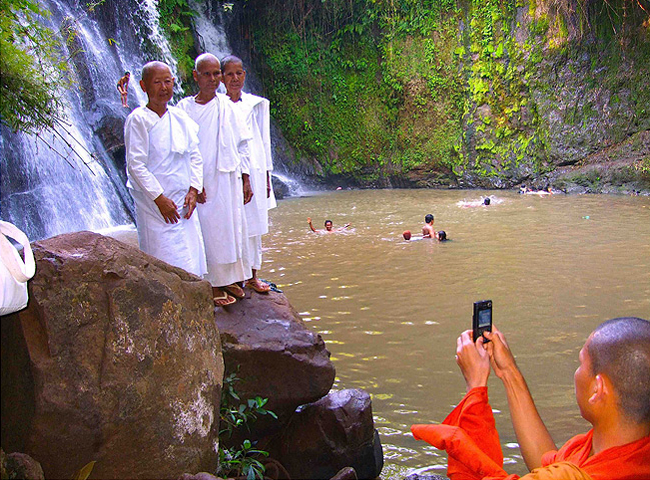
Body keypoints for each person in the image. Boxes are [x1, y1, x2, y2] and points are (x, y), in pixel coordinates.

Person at [412, 317, 650, 479]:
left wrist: (476, 388)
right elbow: (546, 466)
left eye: (581, 364)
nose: (577, 373)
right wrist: (508, 372)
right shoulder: (615, 450)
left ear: (597, 389)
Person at [177, 53, 254, 307]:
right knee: (208, 232)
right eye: (207, 74)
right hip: (201, 182)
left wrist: (246, 180)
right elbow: (181, 150)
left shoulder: (227, 107)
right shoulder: (184, 109)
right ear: (196, 76)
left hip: (228, 177)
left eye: (216, 74)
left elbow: (242, 145)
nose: (213, 79)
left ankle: (229, 278)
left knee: (230, 229)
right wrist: (193, 184)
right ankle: (212, 283)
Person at [124, 61, 206, 278]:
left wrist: (193, 190)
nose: (163, 88)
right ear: (143, 86)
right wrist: (159, 199)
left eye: (167, 81)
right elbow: (135, 165)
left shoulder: (179, 117)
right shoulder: (138, 120)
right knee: (163, 261)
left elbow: (194, 155)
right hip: (154, 207)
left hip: (183, 201)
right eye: (157, 82)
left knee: (190, 258)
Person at [221, 55, 275, 294]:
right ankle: (233, 278)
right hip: (228, 170)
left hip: (254, 168)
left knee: (253, 224)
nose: (235, 78)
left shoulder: (255, 104)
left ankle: (252, 276)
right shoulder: (217, 106)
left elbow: (264, 141)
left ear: (245, 75)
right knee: (231, 224)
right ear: (222, 77)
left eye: (239, 73)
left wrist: (265, 178)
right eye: (229, 74)